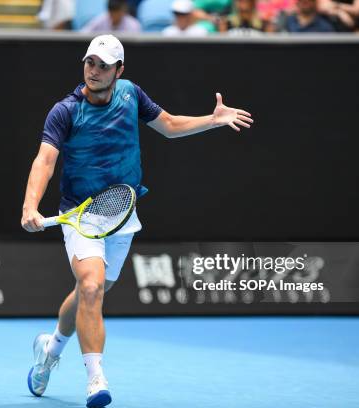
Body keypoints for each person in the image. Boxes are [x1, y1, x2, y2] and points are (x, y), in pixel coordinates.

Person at [21, 34, 253, 408]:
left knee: (90, 292)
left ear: (119, 70)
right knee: (92, 288)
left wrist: (212, 120)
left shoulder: (130, 94)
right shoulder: (64, 111)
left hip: (121, 212)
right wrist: (30, 206)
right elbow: (44, 161)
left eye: (104, 65)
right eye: (90, 63)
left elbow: (171, 125)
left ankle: (49, 349)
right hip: (79, 215)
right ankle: (96, 380)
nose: (94, 71)